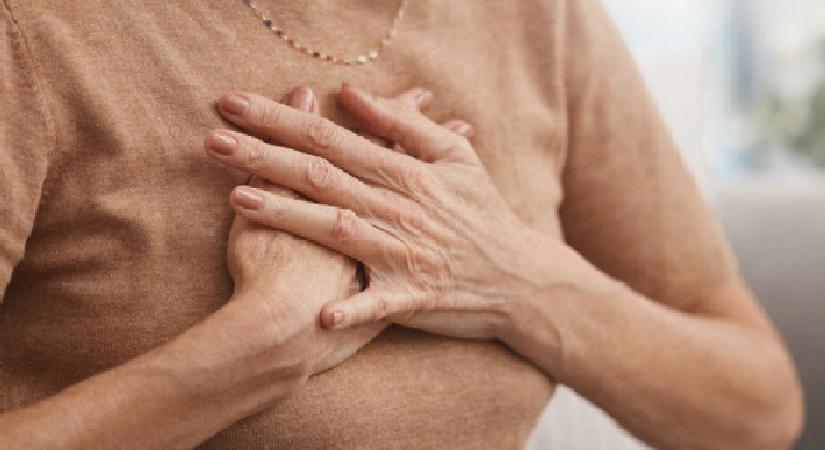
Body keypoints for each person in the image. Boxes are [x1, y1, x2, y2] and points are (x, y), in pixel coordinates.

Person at [0, 0, 802, 449]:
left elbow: (755, 412)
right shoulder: (35, 33)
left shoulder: (536, 17)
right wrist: (256, 350)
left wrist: (515, 282)